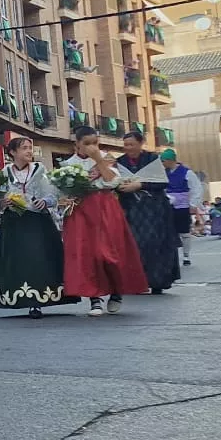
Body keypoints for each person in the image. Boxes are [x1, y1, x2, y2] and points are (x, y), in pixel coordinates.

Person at [60, 128, 148, 317]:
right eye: (87, 143)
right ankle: (95, 298)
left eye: (95, 142)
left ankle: (116, 292)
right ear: (77, 144)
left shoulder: (106, 158)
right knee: (88, 254)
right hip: (82, 210)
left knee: (109, 253)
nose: (92, 147)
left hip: (105, 208)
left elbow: (112, 181)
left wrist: (98, 160)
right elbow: (62, 190)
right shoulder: (68, 165)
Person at [0, 138, 74, 318]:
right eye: (24, 148)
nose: (28, 151)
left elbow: (52, 192)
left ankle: (37, 301)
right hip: (14, 222)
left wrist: (46, 201)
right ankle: (18, 298)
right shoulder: (3, 173)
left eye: (29, 148)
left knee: (38, 257)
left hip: (37, 221)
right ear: (13, 152)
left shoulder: (39, 170)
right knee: (17, 260)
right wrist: (2, 202)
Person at [114, 132, 180, 295]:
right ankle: (138, 282)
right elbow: (113, 181)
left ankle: (158, 281)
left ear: (141, 143)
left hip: (154, 209)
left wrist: (140, 185)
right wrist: (121, 187)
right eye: (126, 145)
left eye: (131, 144)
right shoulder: (120, 162)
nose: (128, 148)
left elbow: (162, 182)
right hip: (131, 208)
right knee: (135, 245)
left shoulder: (152, 159)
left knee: (155, 244)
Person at [160, 150, 198, 267]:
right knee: (168, 231)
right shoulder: (163, 173)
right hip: (167, 205)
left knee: (184, 232)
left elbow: (196, 188)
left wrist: (193, 204)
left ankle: (186, 255)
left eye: (163, 161)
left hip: (182, 206)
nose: (162, 163)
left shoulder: (187, 172)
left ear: (171, 160)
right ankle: (171, 256)